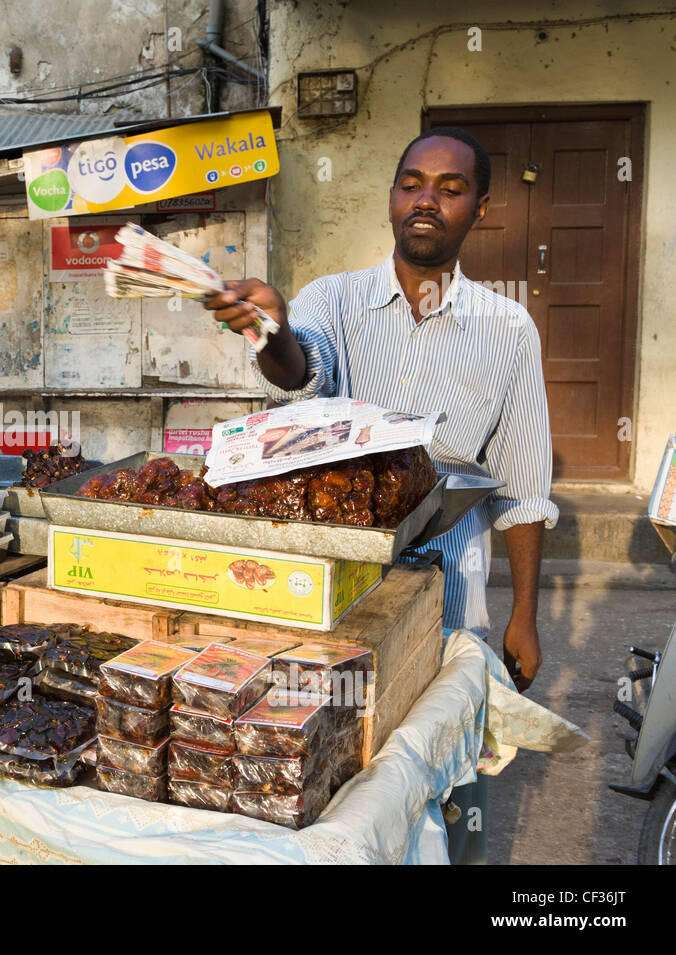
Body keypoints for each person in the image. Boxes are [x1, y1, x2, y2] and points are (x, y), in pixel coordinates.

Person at [205, 127, 559, 863]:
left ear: (481, 209)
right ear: (393, 197)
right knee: (336, 759)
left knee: (443, 765)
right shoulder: (334, 299)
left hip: (450, 589)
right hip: (336, 589)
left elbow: (524, 489)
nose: (426, 199)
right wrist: (271, 330)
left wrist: (525, 613)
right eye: (412, 183)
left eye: (450, 188)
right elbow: (302, 368)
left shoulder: (508, 330)